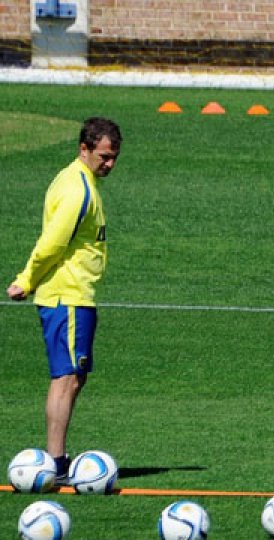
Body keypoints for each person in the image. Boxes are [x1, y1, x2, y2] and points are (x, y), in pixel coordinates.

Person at [6, 117, 123, 482]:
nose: (110, 164)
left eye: (114, 157)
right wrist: (26, 280)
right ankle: (55, 463)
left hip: (75, 296)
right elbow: (53, 243)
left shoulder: (75, 178)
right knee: (66, 377)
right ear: (83, 149)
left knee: (75, 375)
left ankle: (57, 458)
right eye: (104, 156)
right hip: (67, 296)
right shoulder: (78, 192)